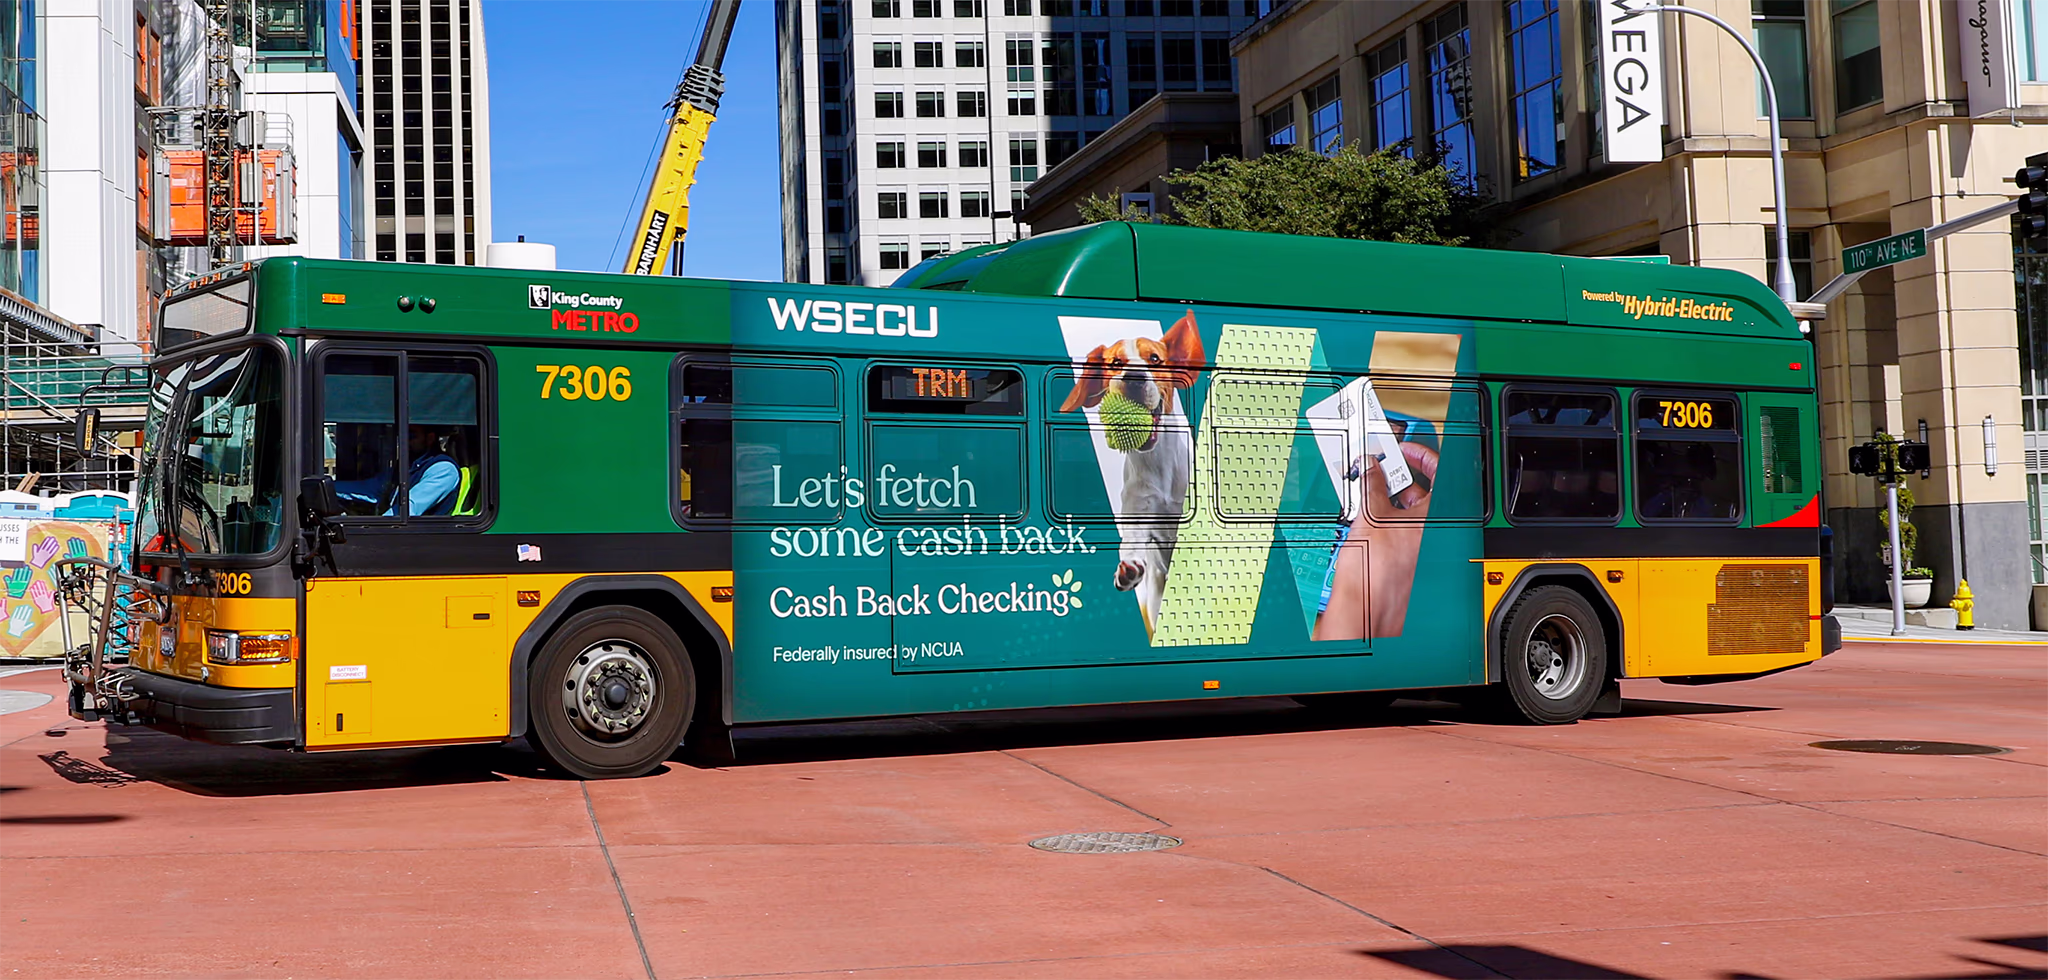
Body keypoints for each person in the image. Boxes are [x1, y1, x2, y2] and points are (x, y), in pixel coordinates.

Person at [336, 425, 461, 517]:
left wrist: (376, 528)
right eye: (401, 436)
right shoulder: (407, 466)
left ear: (430, 438)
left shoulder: (443, 469)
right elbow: (370, 489)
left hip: (425, 541)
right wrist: (329, 488)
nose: (404, 442)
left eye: (411, 436)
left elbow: (409, 508)